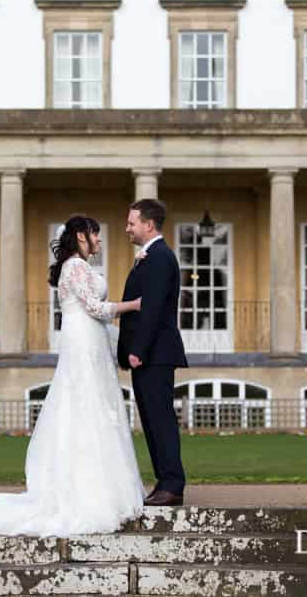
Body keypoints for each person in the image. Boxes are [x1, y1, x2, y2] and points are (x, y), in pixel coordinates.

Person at [0, 215, 145, 536]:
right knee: (88, 408)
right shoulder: (75, 266)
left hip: (88, 338)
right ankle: (91, 493)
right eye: (95, 235)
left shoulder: (77, 267)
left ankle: (97, 486)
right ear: (80, 236)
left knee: (91, 408)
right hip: (83, 340)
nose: (100, 241)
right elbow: (94, 308)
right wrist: (134, 305)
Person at [117, 199, 189, 506]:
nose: (127, 228)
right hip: (151, 353)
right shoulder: (151, 256)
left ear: (148, 224)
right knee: (151, 419)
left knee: (160, 419)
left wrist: (138, 350)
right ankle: (164, 482)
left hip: (155, 353)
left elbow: (154, 307)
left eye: (132, 223)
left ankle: (172, 484)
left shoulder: (160, 257)